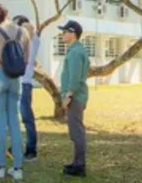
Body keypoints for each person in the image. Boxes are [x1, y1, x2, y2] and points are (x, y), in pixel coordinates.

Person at [0, 3, 29, 180]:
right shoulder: (22, 31)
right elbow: (25, 58)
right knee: (15, 123)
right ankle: (18, 169)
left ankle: (0, 166)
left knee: (0, 123)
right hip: (15, 79)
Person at [58, 19, 89, 178]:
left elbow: (75, 78)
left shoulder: (76, 52)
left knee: (77, 132)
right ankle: (77, 163)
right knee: (75, 131)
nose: (62, 34)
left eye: (65, 31)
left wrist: (68, 96)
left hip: (75, 97)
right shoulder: (75, 50)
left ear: (72, 34)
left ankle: (80, 166)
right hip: (76, 96)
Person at [13, 15, 40, 162]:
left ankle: (31, 150)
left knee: (27, 118)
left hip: (25, 84)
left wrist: (21, 25)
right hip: (14, 83)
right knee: (14, 118)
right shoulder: (16, 42)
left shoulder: (32, 40)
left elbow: (30, 28)